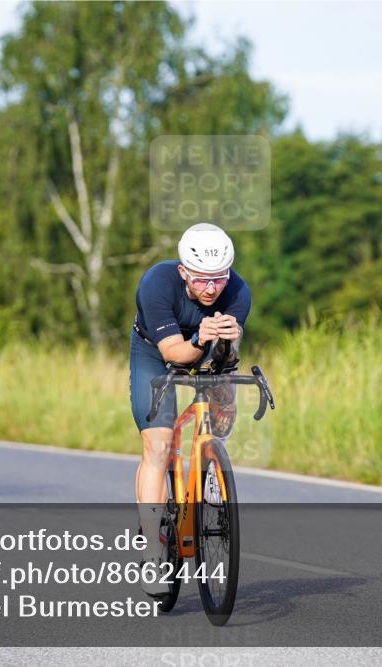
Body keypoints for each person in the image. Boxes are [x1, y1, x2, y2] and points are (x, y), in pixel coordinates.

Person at [129, 223, 250, 595]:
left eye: (219, 278)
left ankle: (209, 469)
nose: (211, 289)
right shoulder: (157, 283)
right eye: (201, 280)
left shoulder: (238, 291)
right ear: (183, 272)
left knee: (222, 422)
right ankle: (153, 552)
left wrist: (228, 344)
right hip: (156, 352)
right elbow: (173, 353)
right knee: (159, 446)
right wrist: (199, 337)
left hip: (207, 350)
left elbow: (224, 358)